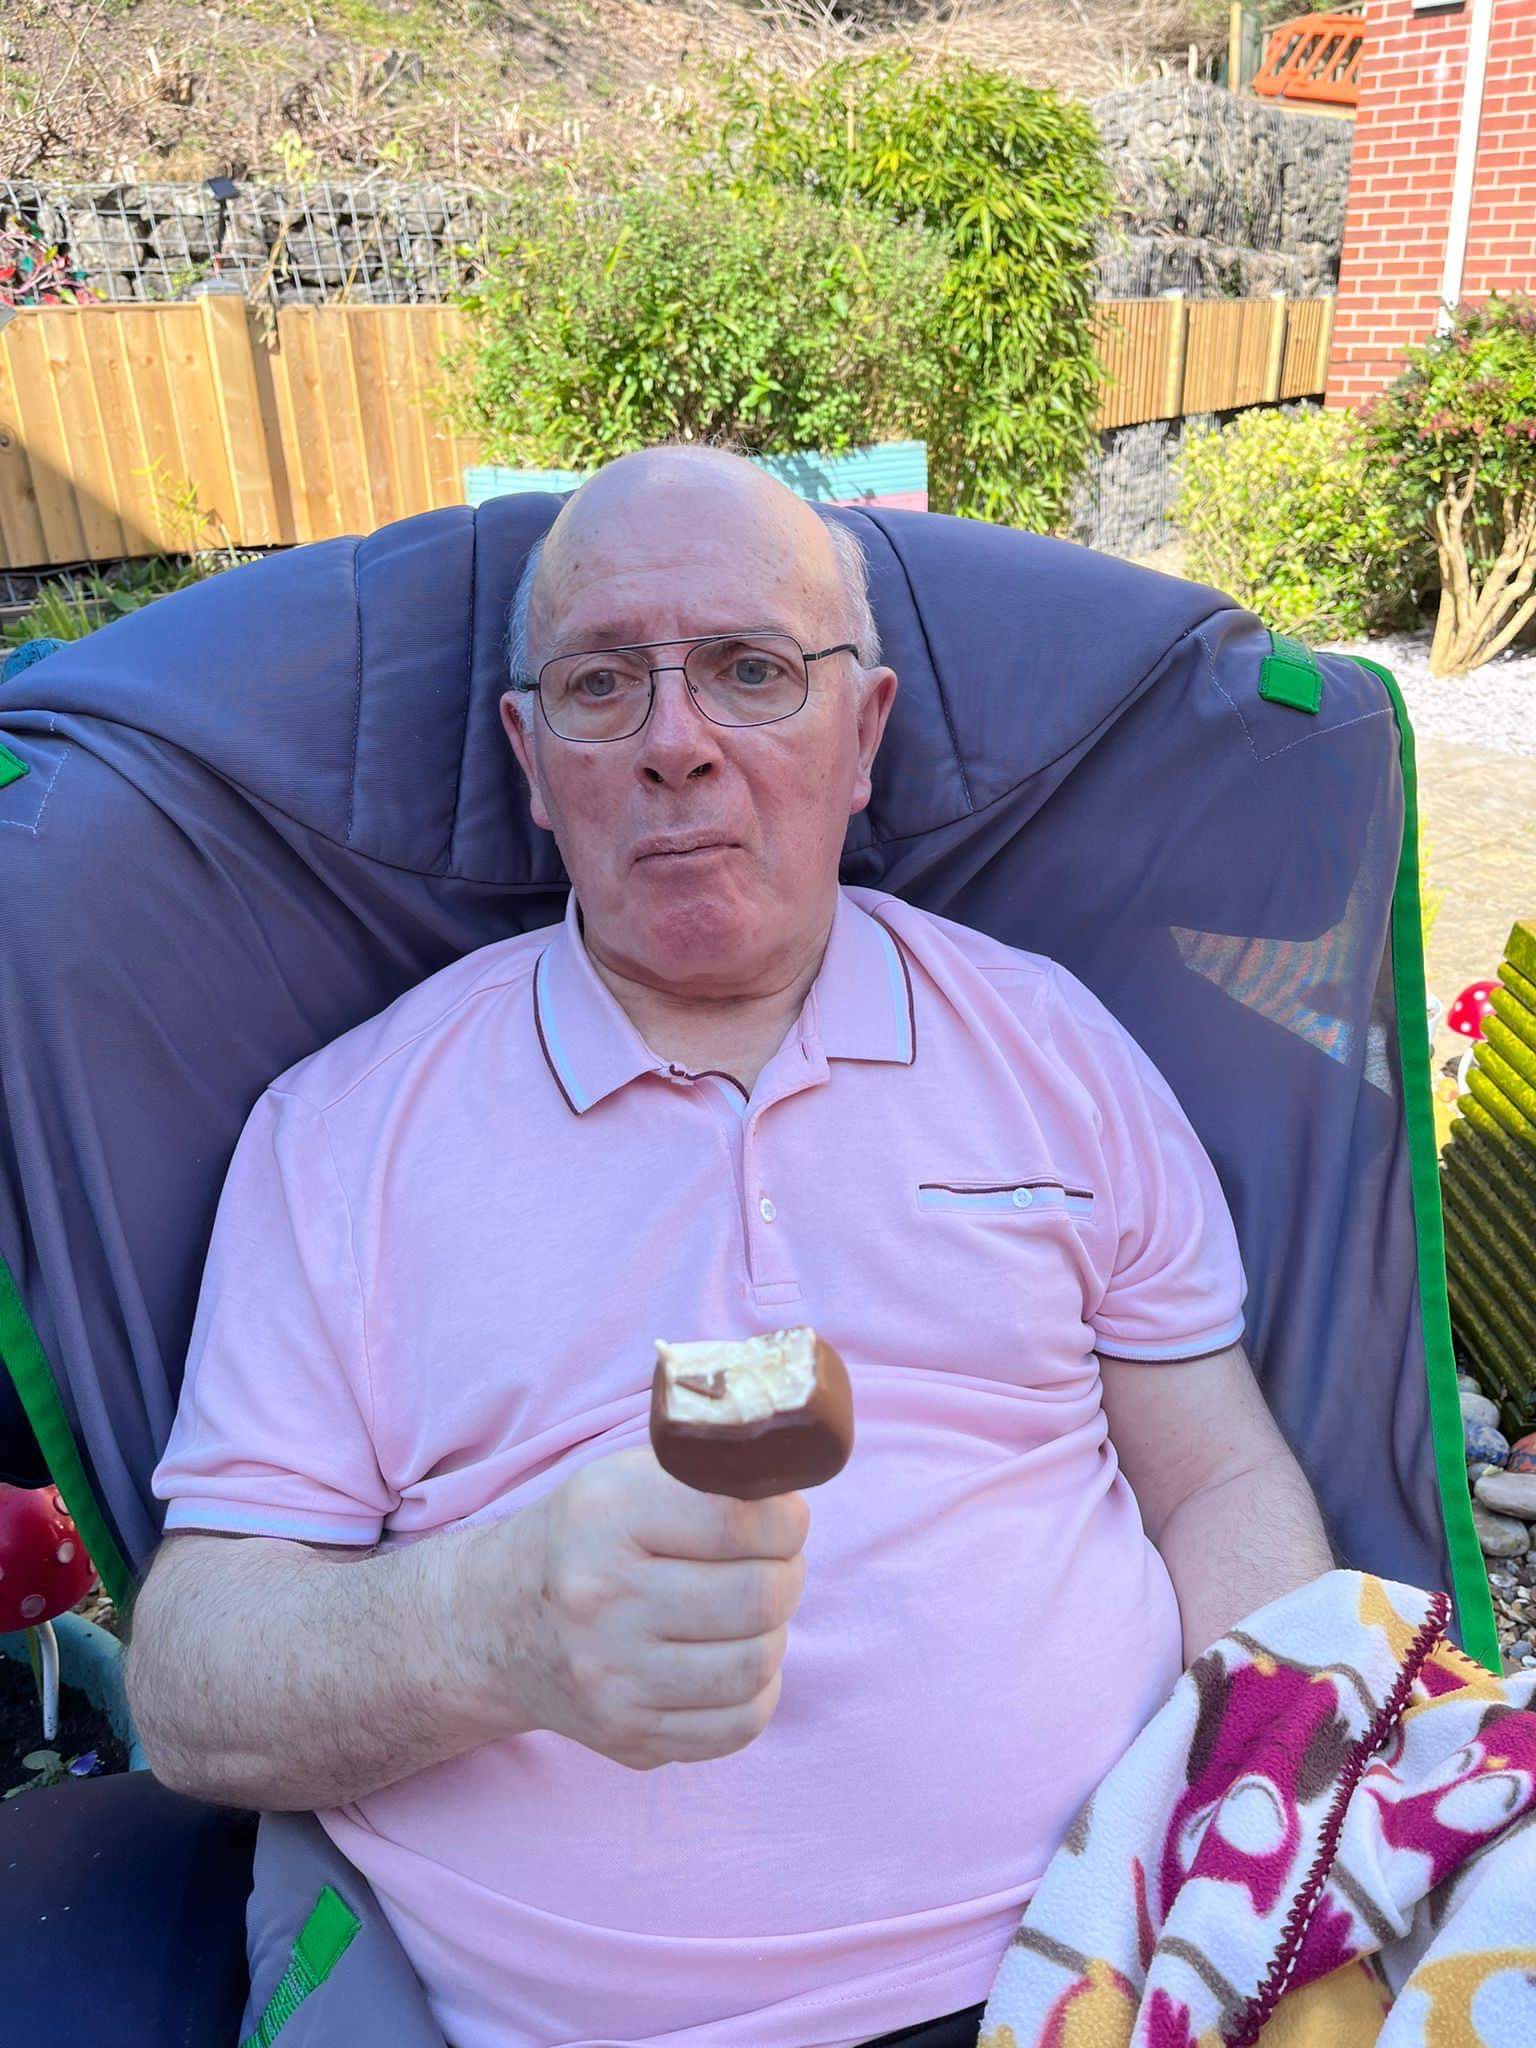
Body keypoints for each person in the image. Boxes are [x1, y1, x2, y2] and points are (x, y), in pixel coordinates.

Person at [126, 444, 1335, 2048]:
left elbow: (1218, 1483)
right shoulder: (344, 1137)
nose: (676, 743)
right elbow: (190, 1684)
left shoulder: (1053, 1047)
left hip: (1114, 1972)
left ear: (864, 733)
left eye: (752, 671)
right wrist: (490, 1630)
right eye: (602, 685)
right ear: (530, 757)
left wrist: (1273, 1829)